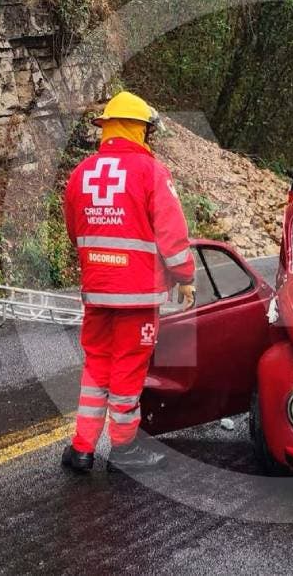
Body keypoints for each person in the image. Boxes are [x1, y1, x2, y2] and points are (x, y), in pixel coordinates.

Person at [62, 92, 197, 474]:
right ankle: (123, 447)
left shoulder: (81, 173)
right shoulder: (151, 172)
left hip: (98, 289)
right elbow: (172, 235)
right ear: (140, 130)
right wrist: (185, 277)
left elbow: (75, 230)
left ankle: (82, 448)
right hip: (136, 294)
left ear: (108, 127)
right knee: (127, 369)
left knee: (96, 367)